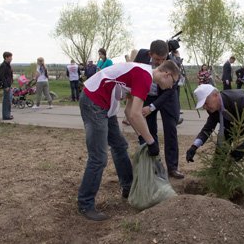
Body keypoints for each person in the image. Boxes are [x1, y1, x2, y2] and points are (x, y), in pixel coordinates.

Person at [77, 59, 180, 221]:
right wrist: (151, 142)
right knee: (99, 158)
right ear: (167, 74)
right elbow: (135, 114)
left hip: (105, 105)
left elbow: (129, 111)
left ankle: (128, 187)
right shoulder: (144, 76)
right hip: (94, 102)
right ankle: (85, 203)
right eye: (173, 82)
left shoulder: (142, 73)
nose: (171, 86)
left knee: (120, 146)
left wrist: (142, 136)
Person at [134, 40, 184, 179]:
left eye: (163, 59)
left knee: (170, 131)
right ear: (150, 54)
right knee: (149, 130)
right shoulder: (141, 55)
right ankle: (155, 166)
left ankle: (172, 168)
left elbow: (170, 91)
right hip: (147, 95)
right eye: (157, 59)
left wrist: (153, 107)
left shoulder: (172, 63)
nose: (160, 63)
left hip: (167, 98)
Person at [0, 51, 14, 120]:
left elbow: (9, 75)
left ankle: (8, 114)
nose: (11, 58)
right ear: (6, 57)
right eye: (10, 57)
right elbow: (2, 77)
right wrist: (6, 86)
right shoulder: (3, 65)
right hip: (6, 86)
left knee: (9, 100)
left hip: (9, 85)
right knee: (6, 101)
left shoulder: (8, 65)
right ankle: (6, 116)